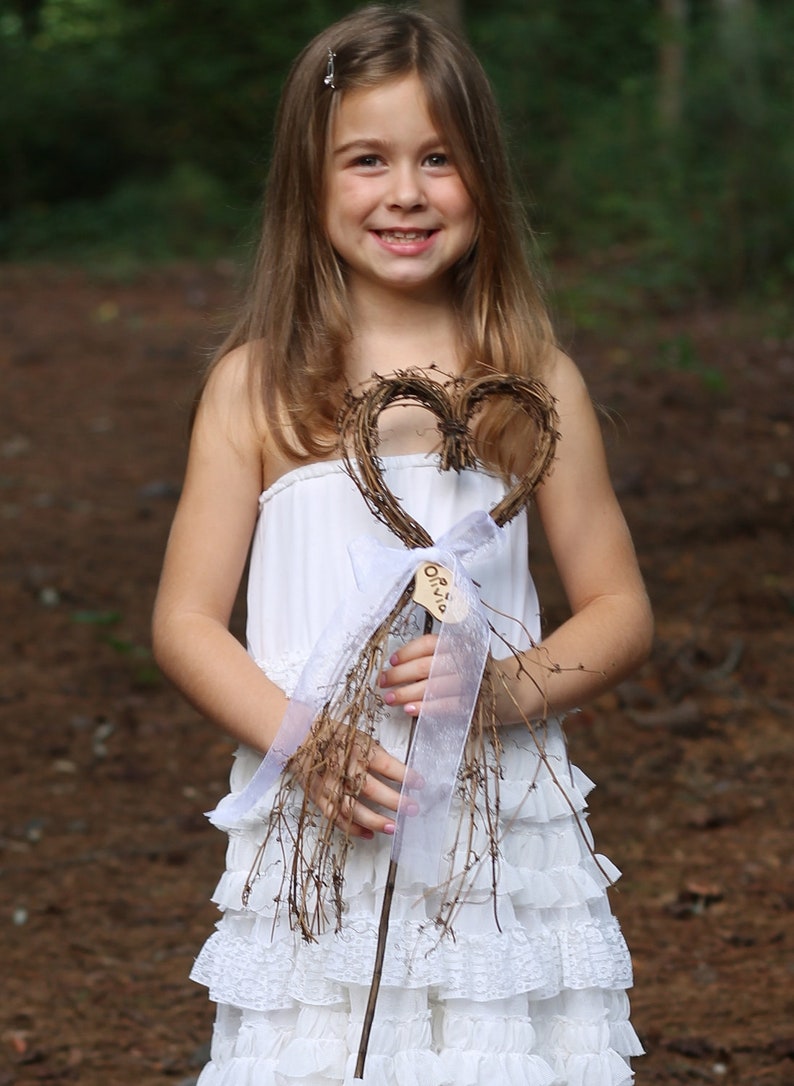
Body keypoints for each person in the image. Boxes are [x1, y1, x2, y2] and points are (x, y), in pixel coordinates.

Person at [152, 6, 653, 1084]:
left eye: (439, 159)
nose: (407, 193)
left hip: (491, 821)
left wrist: (509, 687)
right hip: (323, 813)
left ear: (482, 175)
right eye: (366, 160)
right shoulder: (255, 388)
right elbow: (186, 622)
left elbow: (617, 605)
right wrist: (301, 740)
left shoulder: (531, 380)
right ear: (309, 180)